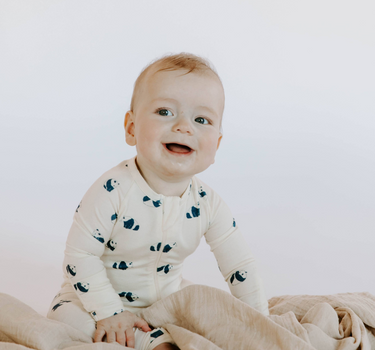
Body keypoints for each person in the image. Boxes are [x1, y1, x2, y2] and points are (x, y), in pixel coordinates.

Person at [47, 53, 269, 350]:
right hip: (92, 301)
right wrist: (111, 313)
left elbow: (240, 265)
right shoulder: (112, 190)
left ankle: (159, 336)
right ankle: (148, 341)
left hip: (165, 302)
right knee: (70, 322)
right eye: (165, 112)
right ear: (131, 128)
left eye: (201, 119)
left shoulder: (208, 204)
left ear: (215, 145)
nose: (183, 126)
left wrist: (261, 324)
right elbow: (79, 257)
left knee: (208, 307)